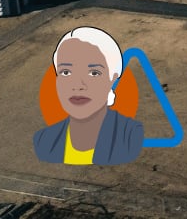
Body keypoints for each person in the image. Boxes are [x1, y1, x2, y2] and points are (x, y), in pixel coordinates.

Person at [34, 26, 144, 166]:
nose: (78, 85)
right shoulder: (44, 141)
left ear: (113, 78)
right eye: (66, 72)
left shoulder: (129, 136)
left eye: (93, 73)